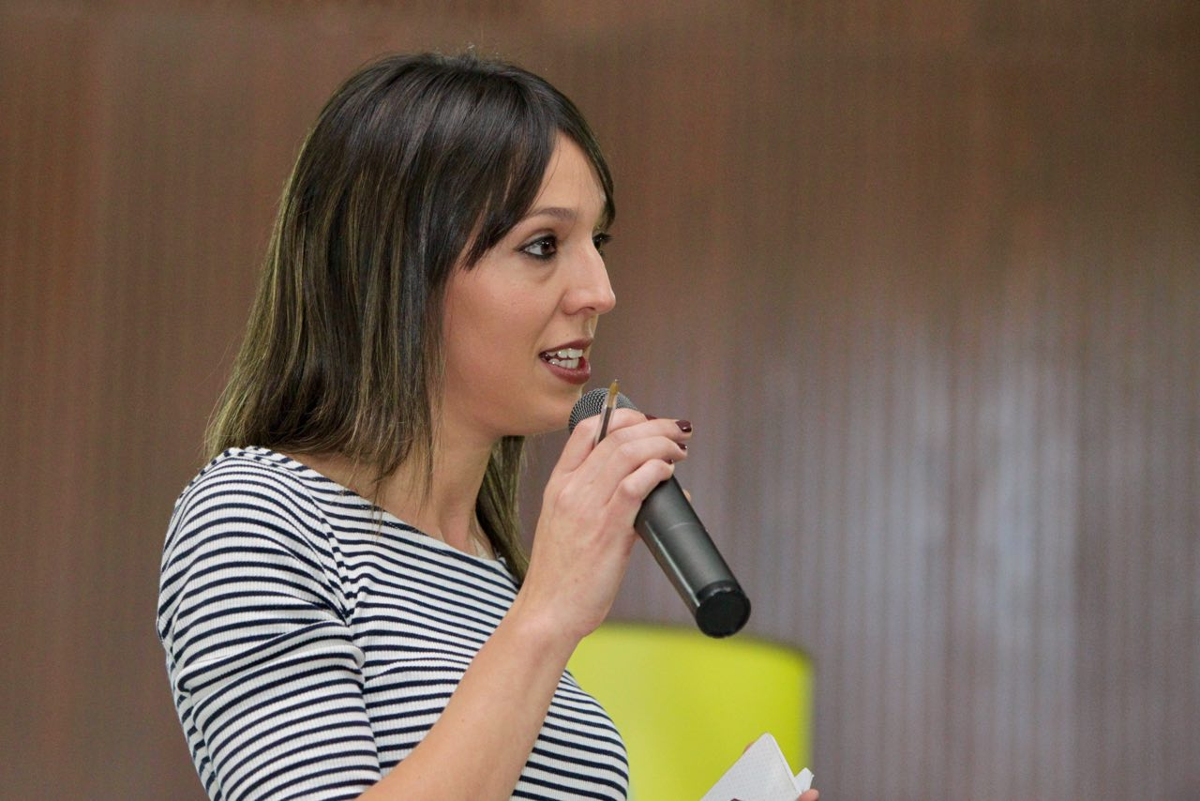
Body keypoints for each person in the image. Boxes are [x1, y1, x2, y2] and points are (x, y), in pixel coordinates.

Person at [156, 52, 819, 801]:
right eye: (543, 245)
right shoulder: (255, 517)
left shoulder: (493, 573)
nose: (600, 292)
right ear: (401, 271)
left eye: (596, 244)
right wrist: (550, 610)